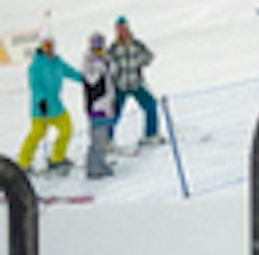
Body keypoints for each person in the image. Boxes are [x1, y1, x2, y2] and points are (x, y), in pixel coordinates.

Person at [17, 38, 81, 173]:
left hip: (56, 106)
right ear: (42, 47)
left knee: (66, 129)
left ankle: (57, 157)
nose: (49, 49)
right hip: (41, 108)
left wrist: (85, 79)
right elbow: (35, 85)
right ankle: (23, 163)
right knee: (36, 134)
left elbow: (70, 72)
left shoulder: (57, 62)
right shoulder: (36, 65)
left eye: (51, 46)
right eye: (46, 46)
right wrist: (41, 100)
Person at [106, 15, 162, 147]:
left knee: (151, 104)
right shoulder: (113, 48)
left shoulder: (137, 45)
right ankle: (106, 141)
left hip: (136, 83)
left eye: (123, 28)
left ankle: (151, 134)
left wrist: (140, 61)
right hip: (120, 86)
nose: (122, 31)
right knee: (113, 114)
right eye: (119, 29)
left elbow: (149, 57)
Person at [81, 32, 116, 180]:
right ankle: (94, 167)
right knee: (97, 137)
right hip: (96, 105)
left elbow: (111, 76)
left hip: (106, 103)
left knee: (102, 137)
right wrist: (100, 66)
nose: (98, 48)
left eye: (100, 45)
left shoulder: (105, 59)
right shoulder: (90, 62)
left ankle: (100, 163)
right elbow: (92, 80)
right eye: (95, 45)